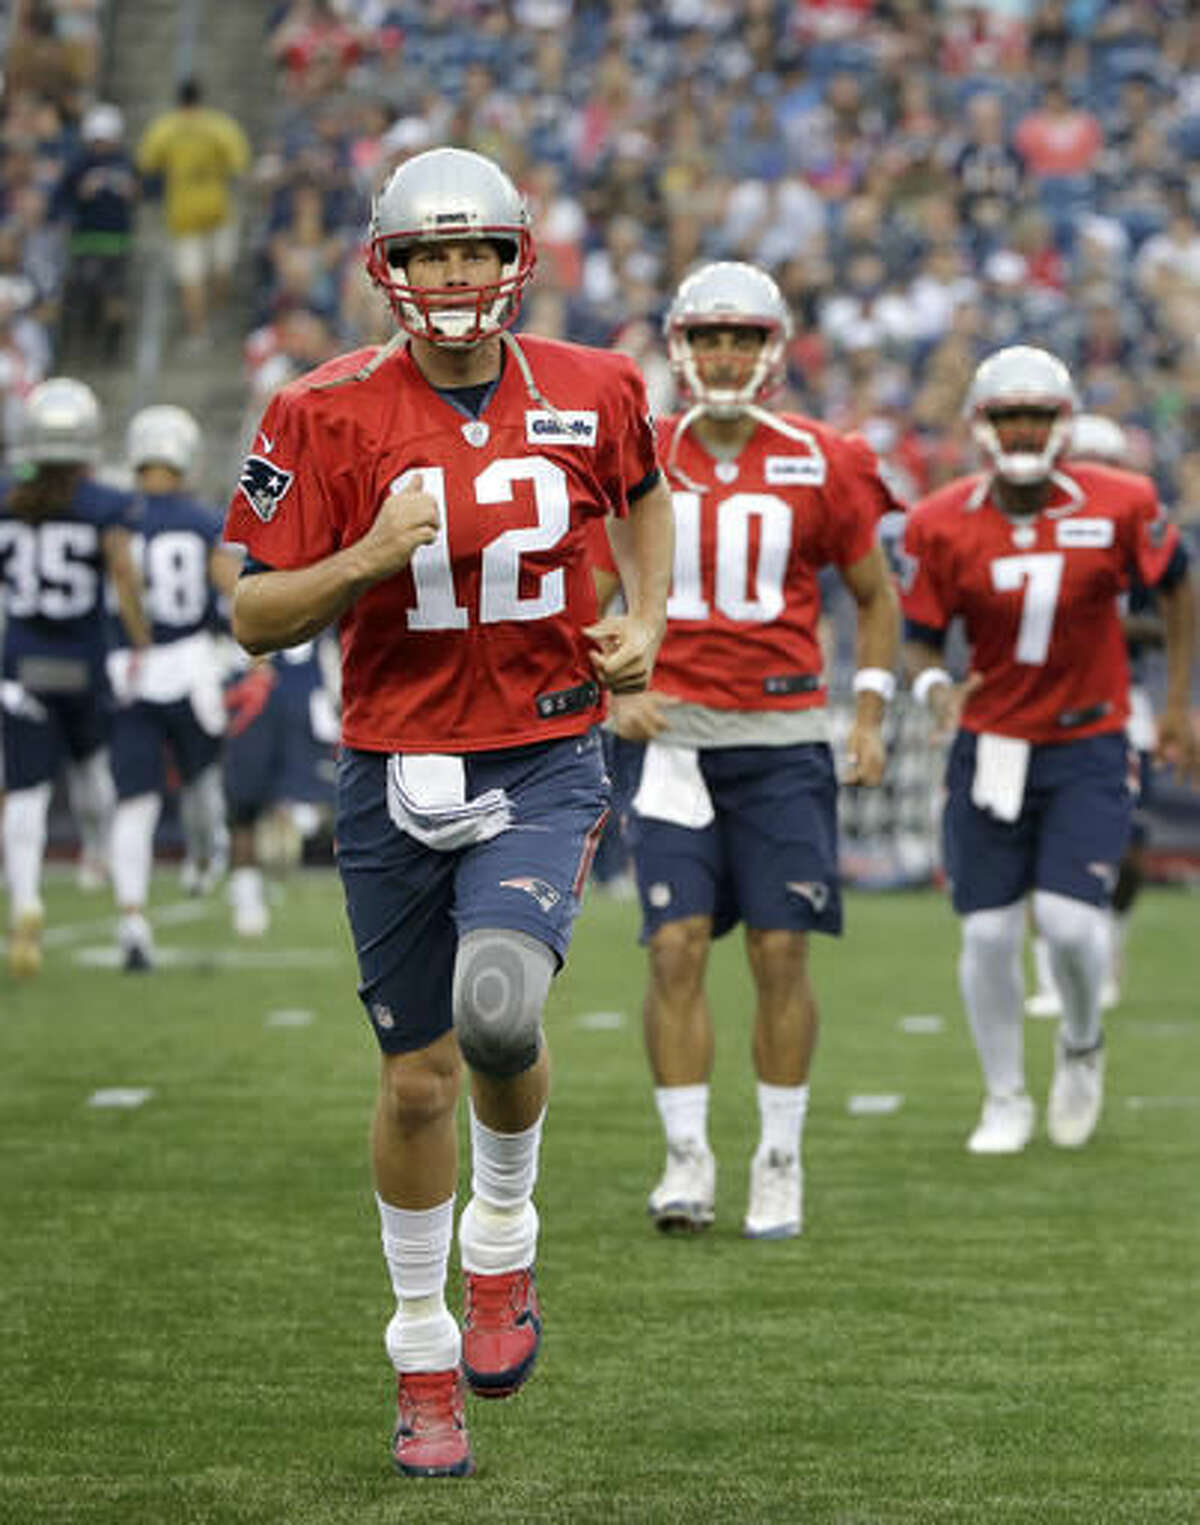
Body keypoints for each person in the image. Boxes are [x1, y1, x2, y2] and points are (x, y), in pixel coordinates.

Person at [221, 147, 673, 1479]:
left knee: (499, 1008)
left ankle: (502, 1250)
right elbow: (252, 613)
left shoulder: (598, 388)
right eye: (431, 253)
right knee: (417, 1081)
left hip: (541, 752)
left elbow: (646, 502)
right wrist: (365, 555)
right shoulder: (322, 411)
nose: (457, 275)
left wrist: (642, 618)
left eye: (477, 249)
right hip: (391, 763)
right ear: (390, 266)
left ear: (518, 256)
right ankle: (423, 1361)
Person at [603, 261, 901, 1239]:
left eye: (740, 337)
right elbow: (579, 578)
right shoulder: (636, 451)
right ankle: (687, 1153)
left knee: (782, 948)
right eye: (706, 338)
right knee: (676, 947)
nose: (723, 355)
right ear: (679, 347)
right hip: (676, 735)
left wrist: (868, 712)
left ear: (771, 349)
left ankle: (780, 1155)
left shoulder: (826, 456)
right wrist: (616, 684)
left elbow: (874, 593)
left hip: (780, 738)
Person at [902, 346, 1197, 1155]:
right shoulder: (941, 519)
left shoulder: (1123, 500)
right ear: (982, 425)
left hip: (1089, 739)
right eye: (1008, 416)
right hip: (992, 743)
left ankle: (1080, 1039)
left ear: (1062, 423)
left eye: (1035, 415)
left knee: (1070, 925)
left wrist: (1176, 704)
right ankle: (1003, 1094)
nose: (1022, 429)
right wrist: (936, 693)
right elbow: (923, 641)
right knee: (989, 935)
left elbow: (1178, 585)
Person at [1, 377, 150, 977]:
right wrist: (141, 640)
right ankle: (98, 858)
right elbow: (123, 577)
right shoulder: (104, 505)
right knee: (94, 778)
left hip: (21, 667)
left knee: (27, 795)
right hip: (84, 663)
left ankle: (27, 899)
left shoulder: (9, 498)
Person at [1024, 412, 1161, 1018]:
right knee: (1030, 839)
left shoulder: (1138, 532)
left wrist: (1094, 618)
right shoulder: (1027, 523)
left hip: (1122, 699)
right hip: (1036, 703)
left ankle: (1112, 943)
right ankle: (1052, 977)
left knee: (1127, 844)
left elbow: (1168, 617)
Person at [107, 405, 239, 970]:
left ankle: (132, 916)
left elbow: (117, 582)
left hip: (130, 669)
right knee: (202, 780)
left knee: (133, 803)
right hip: (189, 664)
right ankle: (207, 858)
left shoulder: (117, 516)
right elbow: (234, 587)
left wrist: (135, 637)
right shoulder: (201, 518)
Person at [221, 636, 338, 938]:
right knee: (244, 805)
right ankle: (246, 896)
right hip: (256, 688)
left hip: (304, 685)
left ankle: (288, 838)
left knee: (313, 799)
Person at [135, 78, 251, 346]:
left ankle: (198, 333)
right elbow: (240, 164)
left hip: (182, 212)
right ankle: (218, 313)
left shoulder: (165, 128)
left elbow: (146, 163)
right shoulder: (219, 126)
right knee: (220, 269)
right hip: (218, 209)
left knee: (191, 277)